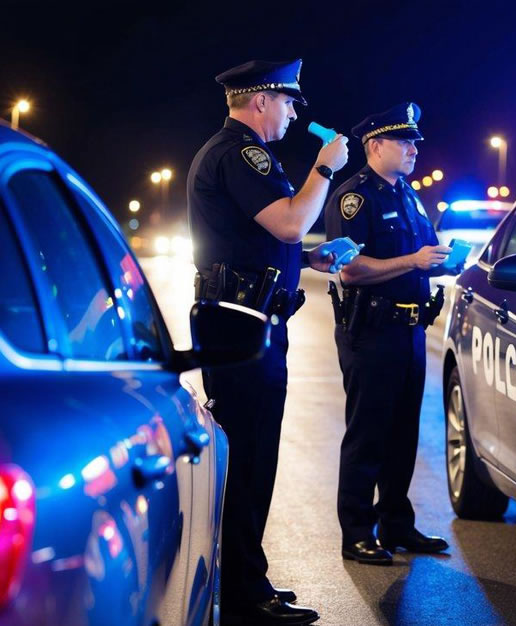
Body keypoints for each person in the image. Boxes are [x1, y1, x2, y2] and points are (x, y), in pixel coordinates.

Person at [188, 58, 348, 624]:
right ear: (260, 101)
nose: (294, 112)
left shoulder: (240, 155)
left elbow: (262, 238)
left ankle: (248, 582)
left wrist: (307, 257)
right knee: (249, 460)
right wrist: (325, 169)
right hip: (241, 325)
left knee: (255, 459)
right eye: (288, 101)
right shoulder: (242, 154)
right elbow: (287, 221)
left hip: (248, 320)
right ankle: (243, 596)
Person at [324, 102, 457, 565]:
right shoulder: (354, 197)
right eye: (404, 141)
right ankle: (357, 532)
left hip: (410, 330)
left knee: (403, 434)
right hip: (372, 330)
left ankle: (397, 524)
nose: (414, 148)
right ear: (375, 145)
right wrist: (414, 261)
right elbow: (351, 271)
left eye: (415, 141)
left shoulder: (408, 195)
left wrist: (440, 260)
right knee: (368, 435)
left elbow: (420, 253)